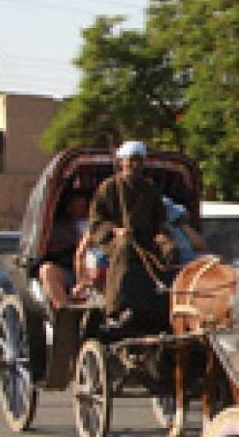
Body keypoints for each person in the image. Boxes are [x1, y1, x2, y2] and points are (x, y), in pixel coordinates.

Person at [88, 140, 177, 327]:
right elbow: (96, 221)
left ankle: (167, 302)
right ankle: (115, 308)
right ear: (122, 162)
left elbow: (159, 219)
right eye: (131, 160)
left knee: (171, 250)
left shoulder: (150, 190)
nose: (135, 165)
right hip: (114, 241)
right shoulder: (109, 187)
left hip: (146, 240)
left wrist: (160, 234)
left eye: (139, 161)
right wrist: (114, 230)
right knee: (124, 248)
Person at [37, 190, 90, 311]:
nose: (80, 208)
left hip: (97, 268)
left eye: (83, 204)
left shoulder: (99, 223)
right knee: (47, 271)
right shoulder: (58, 228)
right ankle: (65, 312)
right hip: (70, 269)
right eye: (76, 205)